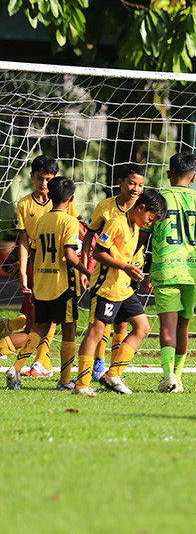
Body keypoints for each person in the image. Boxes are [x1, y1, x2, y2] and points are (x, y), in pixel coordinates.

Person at [73, 189, 167, 396]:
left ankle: (113, 374)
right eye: (150, 219)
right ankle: (81, 385)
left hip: (124, 289)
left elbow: (124, 256)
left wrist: (133, 270)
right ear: (141, 208)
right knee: (95, 333)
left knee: (142, 327)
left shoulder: (135, 228)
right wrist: (124, 267)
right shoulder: (116, 222)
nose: (149, 224)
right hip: (106, 288)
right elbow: (98, 252)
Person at [5, 178, 91, 390]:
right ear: (71, 199)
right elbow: (70, 255)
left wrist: (34, 283)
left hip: (42, 283)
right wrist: (88, 272)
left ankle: (15, 368)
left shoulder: (42, 221)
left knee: (38, 328)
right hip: (63, 285)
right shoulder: (70, 222)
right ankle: (64, 381)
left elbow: (34, 254)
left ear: (50, 196)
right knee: (69, 331)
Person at [147, 152, 196, 394]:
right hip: (193, 271)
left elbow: (144, 234)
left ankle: (168, 375)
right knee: (183, 327)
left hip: (165, 267)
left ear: (169, 174)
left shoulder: (159, 198)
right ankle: (177, 376)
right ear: (194, 177)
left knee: (167, 326)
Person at [81, 163, 146, 384]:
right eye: (132, 183)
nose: (136, 189)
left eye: (140, 185)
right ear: (120, 182)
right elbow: (90, 236)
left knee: (124, 323)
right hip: (107, 276)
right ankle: (97, 362)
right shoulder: (106, 208)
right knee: (101, 324)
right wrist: (84, 266)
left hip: (131, 274)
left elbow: (144, 239)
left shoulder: (143, 209)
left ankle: (114, 369)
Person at [13, 155, 78, 378]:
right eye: (39, 178)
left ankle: (40, 362)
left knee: (45, 320)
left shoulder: (65, 204)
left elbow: (74, 237)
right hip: (37, 265)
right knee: (36, 322)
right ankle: (25, 354)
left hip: (58, 267)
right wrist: (23, 271)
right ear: (32, 177)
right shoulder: (25, 204)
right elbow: (23, 241)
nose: (43, 183)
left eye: (48, 179)